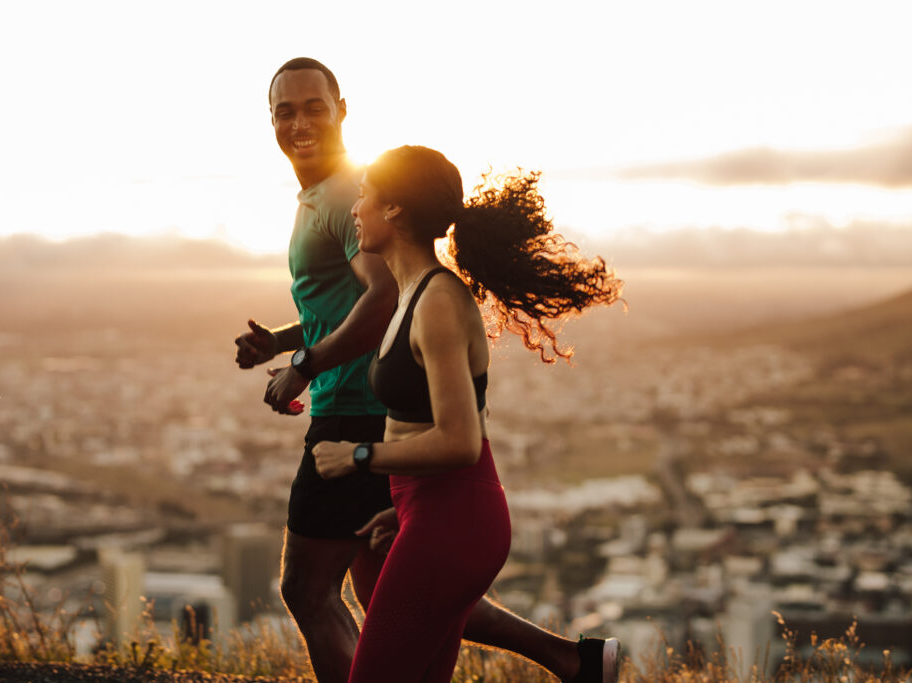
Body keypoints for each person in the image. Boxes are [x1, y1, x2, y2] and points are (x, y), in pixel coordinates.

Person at [237, 57, 620, 683]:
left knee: (309, 589)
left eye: (313, 106)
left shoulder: (348, 205)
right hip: (392, 449)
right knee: (388, 589)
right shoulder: (336, 205)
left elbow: (382, 298)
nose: (299, 121)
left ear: (341, 110)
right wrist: (283, 339)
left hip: (357, 418)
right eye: (285, 109)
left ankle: (562, 657)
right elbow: (353, 304)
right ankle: (570, 658)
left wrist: (306, 367)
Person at [311, 145, 623, 682]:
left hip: (455, 521)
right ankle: (580, 665)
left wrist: (357, 456)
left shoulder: (436, 301)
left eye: (364, 196)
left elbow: (461, 441)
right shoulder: (412, 293)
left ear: (394, 211)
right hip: (436, 513)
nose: (355, 209)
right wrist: (407, 511)